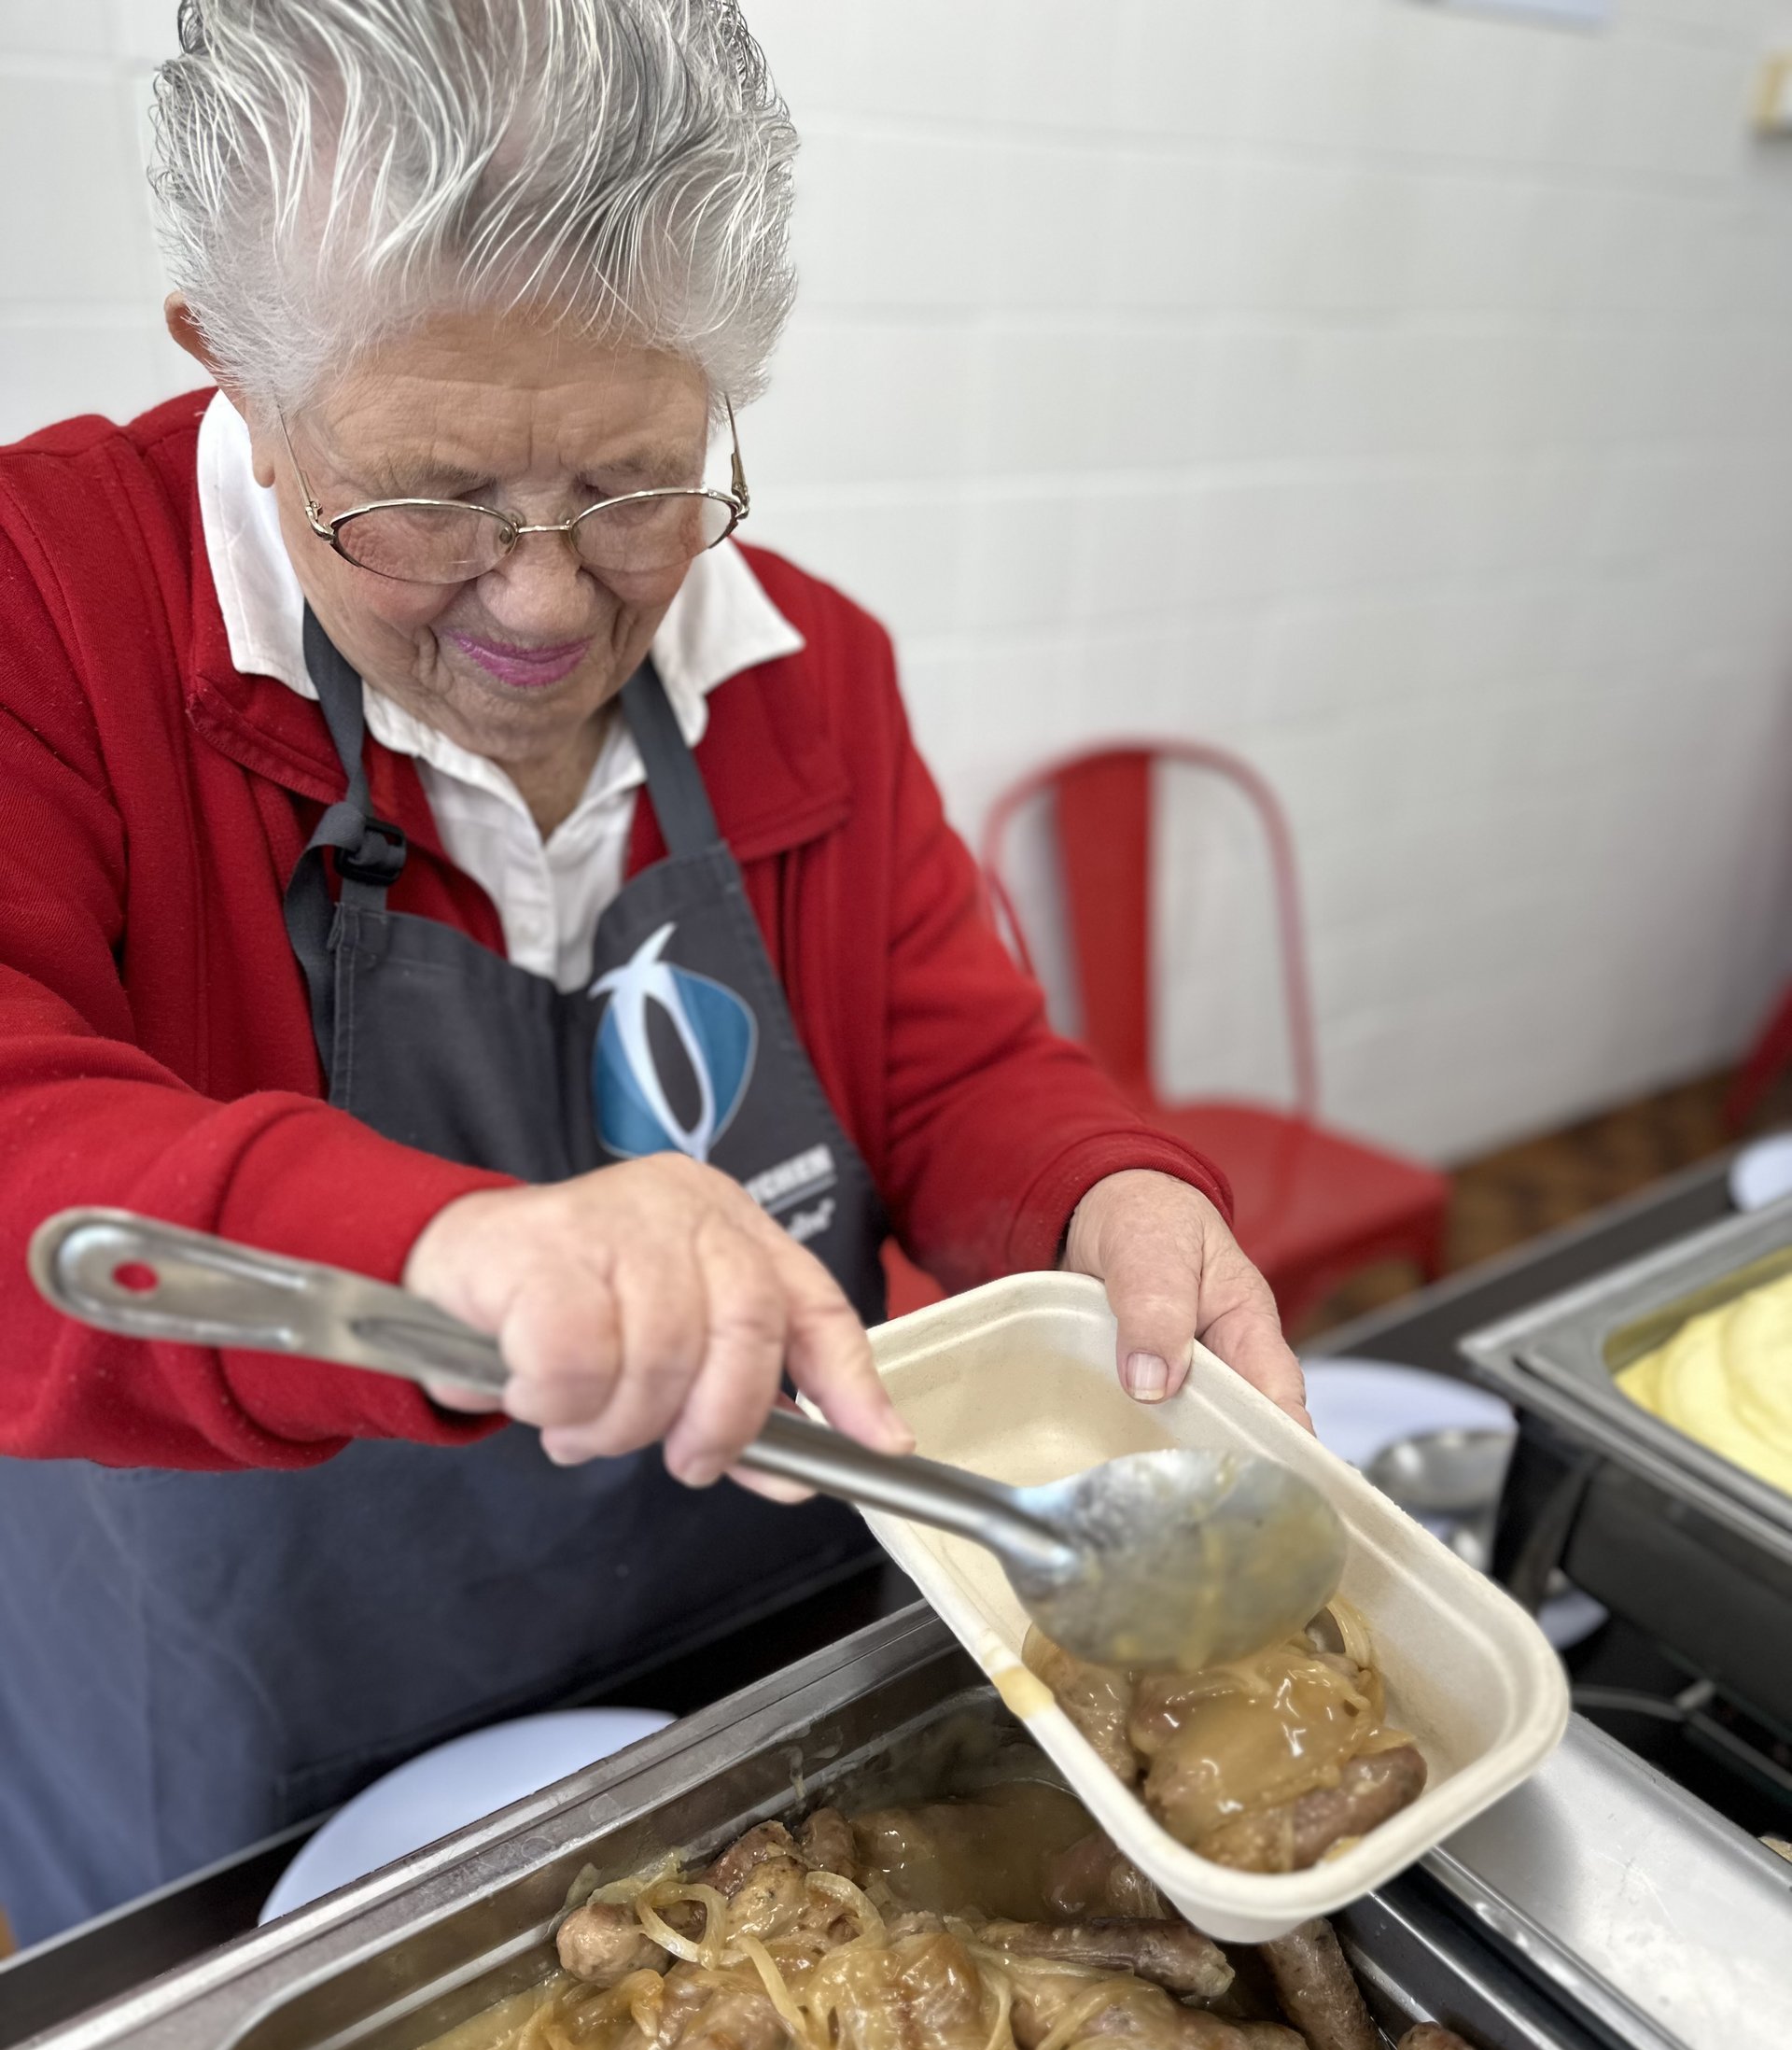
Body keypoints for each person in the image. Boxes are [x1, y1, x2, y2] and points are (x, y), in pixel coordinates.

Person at [0, 0, 1307, 1945]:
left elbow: (950, 1072)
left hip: (755, 1667)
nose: (541, 601)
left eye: (633, 487)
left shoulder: (807, 673)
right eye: (427, 501)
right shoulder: (50, 611)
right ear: (239, 383)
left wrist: (1110, 1188)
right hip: (255, 1727)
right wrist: (447, 1250)